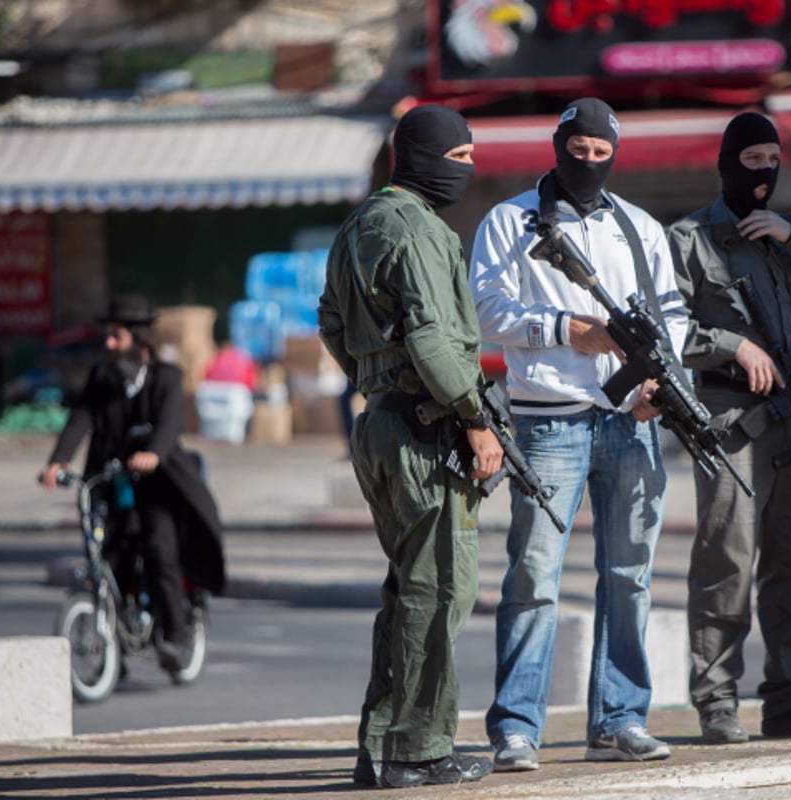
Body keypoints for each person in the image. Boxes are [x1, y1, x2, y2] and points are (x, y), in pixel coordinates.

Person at [469, 97, 687, 771]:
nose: (588, 163)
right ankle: (516, 728)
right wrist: (567, 329)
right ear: (558, 145)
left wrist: (661, 384)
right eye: (578, 150)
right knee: (534, 575)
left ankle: (618, 720)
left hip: (632, 425)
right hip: (547, 420)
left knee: (630, 576)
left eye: (601, 153)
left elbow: (670, 311)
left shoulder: (639, 227)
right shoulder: (509, 221)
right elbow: (485, 309)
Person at [317, 103, 503, 791]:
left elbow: (331, 322)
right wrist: (474, 419)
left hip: (380, 423)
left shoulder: (357, 226)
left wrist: (373, 378)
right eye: (459, 158)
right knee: (439, 589)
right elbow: (430, 336)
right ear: (422, 157)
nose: (468, 170)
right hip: (426, 429)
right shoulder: (419, 230)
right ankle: (417, 750)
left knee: (407, 590)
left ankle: (381, 748)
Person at [667, 111, 791, 744]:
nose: (766, 171)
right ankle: (717, 701)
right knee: (728, 565)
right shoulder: (690, 240)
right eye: (753, 160)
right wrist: (731, 345)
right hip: (735, 427)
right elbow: (662, 332)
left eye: (774, 159)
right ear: (728, 162)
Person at [40, 294, 226, 673]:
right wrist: (57, 461)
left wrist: (154, 453)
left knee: (160, 549)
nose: (109, 344)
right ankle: (115, 645)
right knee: (110, 555)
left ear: (140, 340)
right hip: (112, 479)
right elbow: (80, 419)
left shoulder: (167, 377)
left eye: (117, 337)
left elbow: (172, 423)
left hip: (160, 484)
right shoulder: (101, 377)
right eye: (108, 336)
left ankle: (175, 635)